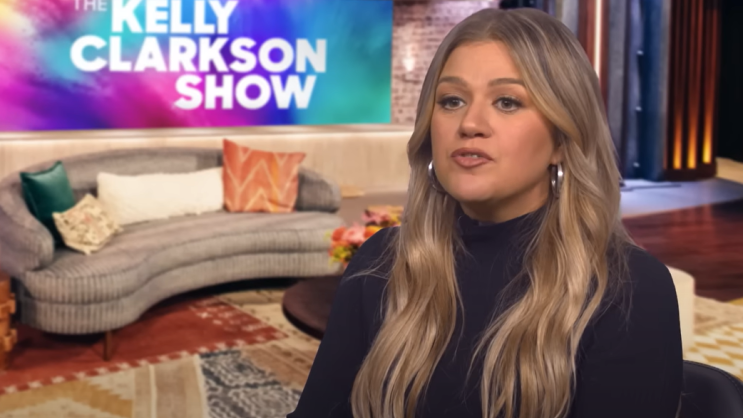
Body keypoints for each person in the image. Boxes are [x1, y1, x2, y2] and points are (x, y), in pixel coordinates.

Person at [288, 7, 682, 418]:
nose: (470, 123)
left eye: (507, 102)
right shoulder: (381, 262)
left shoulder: (631, 289)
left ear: (562, 140)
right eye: (451, 100)